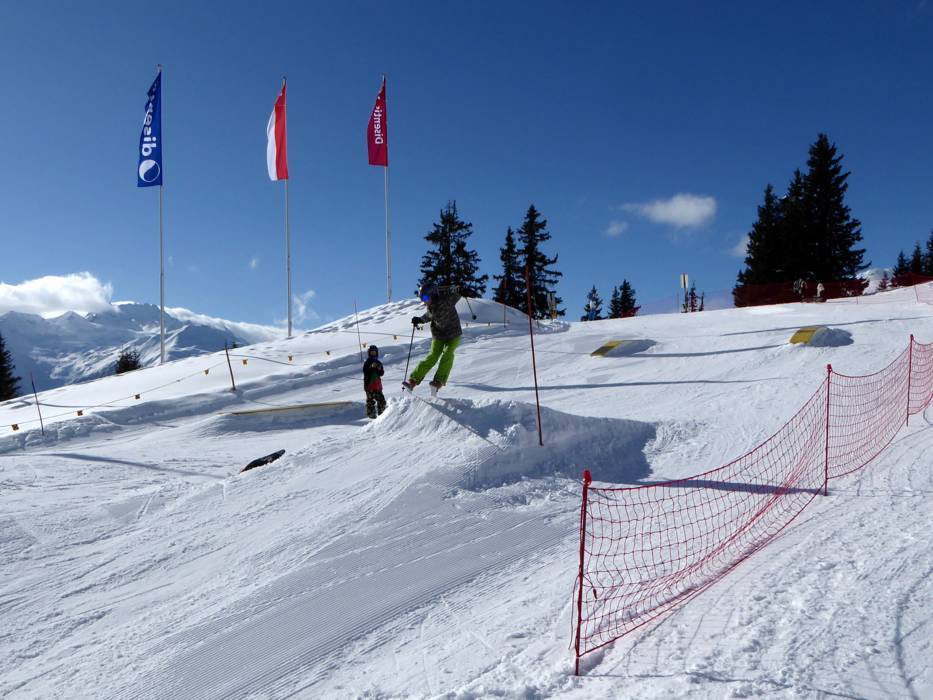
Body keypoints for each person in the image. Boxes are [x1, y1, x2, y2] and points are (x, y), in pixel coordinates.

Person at [403, 283, 462, 395]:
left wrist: (460, 291)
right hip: (438, 334)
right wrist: (420, 319)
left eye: (425, 298)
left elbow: (456, 295)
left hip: (453, 333)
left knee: (448, 354)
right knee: (433, 356)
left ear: (433, 294)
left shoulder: (446, 300)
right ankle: (413, 381)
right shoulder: (431, 307)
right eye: (421, 298)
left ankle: (438, 381)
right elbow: (429, 316)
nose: (423, 301)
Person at [363, 345, 386, 418]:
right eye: (372, 352)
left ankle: (382, 415)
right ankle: (371, 415)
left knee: (381, 401)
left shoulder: (378, 362)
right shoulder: (367, 362)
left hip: (377, 386)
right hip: (369, 386)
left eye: (374, 352)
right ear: (369, 353)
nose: (373, 354)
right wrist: (371, 367)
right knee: (370, 401)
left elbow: (381, 373)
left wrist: (378, 369)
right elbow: (366, 372)